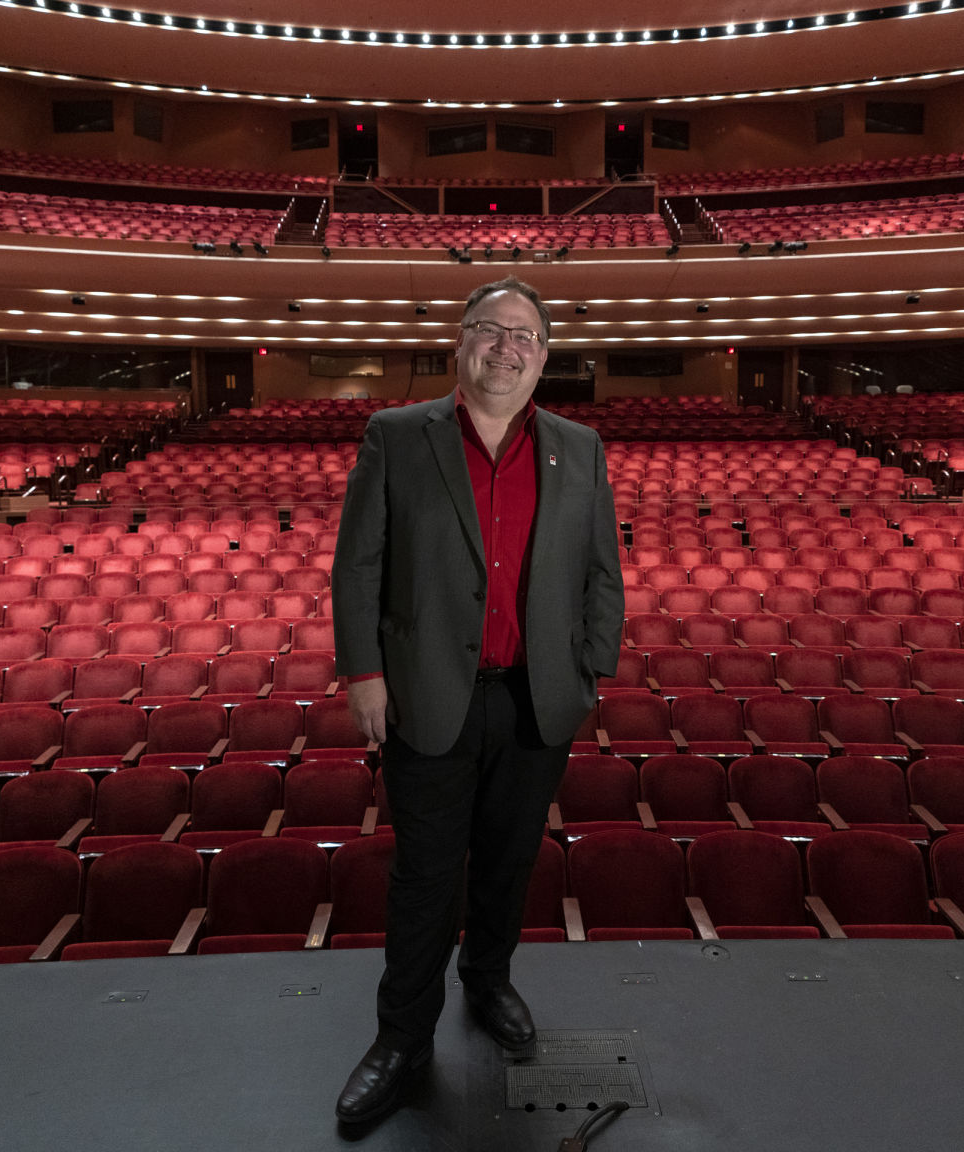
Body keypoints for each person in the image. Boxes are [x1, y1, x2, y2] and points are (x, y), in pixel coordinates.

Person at [331, 276, 624, 1127]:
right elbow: (358, 566)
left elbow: (601, 571)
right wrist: (364, 676)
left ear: (542, 356)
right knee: (425, 877)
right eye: (490, 330)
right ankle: (401, 1038)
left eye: (523, 336)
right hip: (425, 696)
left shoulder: (581, 446)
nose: (507, 347)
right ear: (460, 342)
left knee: (507, 861)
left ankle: (488, 982)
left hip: (536, 701)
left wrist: (588, 672)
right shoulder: (396, 435)